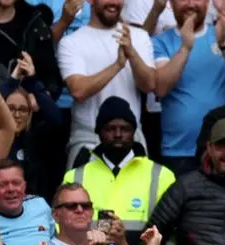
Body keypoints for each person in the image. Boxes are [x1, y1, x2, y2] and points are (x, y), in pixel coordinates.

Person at [57, 0, 157, 165]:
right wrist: (117, 65)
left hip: (131, 142)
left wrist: (132, 54)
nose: (114, 2)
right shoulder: (71, 42)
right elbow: (78, 91)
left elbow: (150, 85)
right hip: (89, 142)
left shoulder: (139, 36)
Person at [64, 97, 176, 236]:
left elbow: (172, 231)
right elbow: (64, 230)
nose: (118, 134)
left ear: (134, 132)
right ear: (99, 133)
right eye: (110, 129)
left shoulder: (162, 175)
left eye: (125, 129)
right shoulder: (75, 176)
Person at [151, 0, 225, 173]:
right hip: (178, 152)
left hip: (224, 149)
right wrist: (185, 47)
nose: (191, 4)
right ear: (171, 3)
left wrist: (224, 44)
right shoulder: (160, 42)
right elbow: (161, 87)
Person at [0, 160, 55, 245]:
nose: (11, 189)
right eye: (2, 185)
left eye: (16, 183)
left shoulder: (40, 205)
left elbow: (55, 239)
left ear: (24, 186)